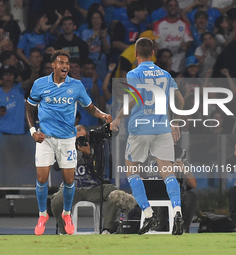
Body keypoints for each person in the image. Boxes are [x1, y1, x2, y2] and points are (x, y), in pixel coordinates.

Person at [25, 49, 112, 236]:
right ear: (53, 65)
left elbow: (89, 107)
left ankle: (66, 214)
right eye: (61, 63)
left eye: (67, 63)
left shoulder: (76, 86)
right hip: (45, 139)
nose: (65, 66)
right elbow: (29, 108)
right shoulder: (40, 84)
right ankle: (42, 216)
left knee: (69, 180)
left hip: (66, 140)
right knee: (41, 179)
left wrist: (103, 115)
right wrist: (33, 131)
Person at [111, 37, 185, 235]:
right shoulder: (166, 74)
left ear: (136, 54)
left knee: (132, 171)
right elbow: (180, 99)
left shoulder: (134, 73)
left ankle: (148, 212)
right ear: (153, 53)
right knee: (168, 173)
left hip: (140, 128)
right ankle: (177, 210)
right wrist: (175, 123)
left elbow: (135, 99)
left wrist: (117, 118)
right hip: (162, 129)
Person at [51, 124, 119, 234]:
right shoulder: (66, 146)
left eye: (83, 138)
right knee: (56, 201)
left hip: (94, 188)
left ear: (88, 136)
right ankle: (63, 231)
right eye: (77, 139)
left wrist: (90, 155)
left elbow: (100, 170)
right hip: (73, 189)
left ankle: (107, 229)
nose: (81, 141)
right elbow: (56, 167)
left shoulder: (96, 145)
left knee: (116, 194)